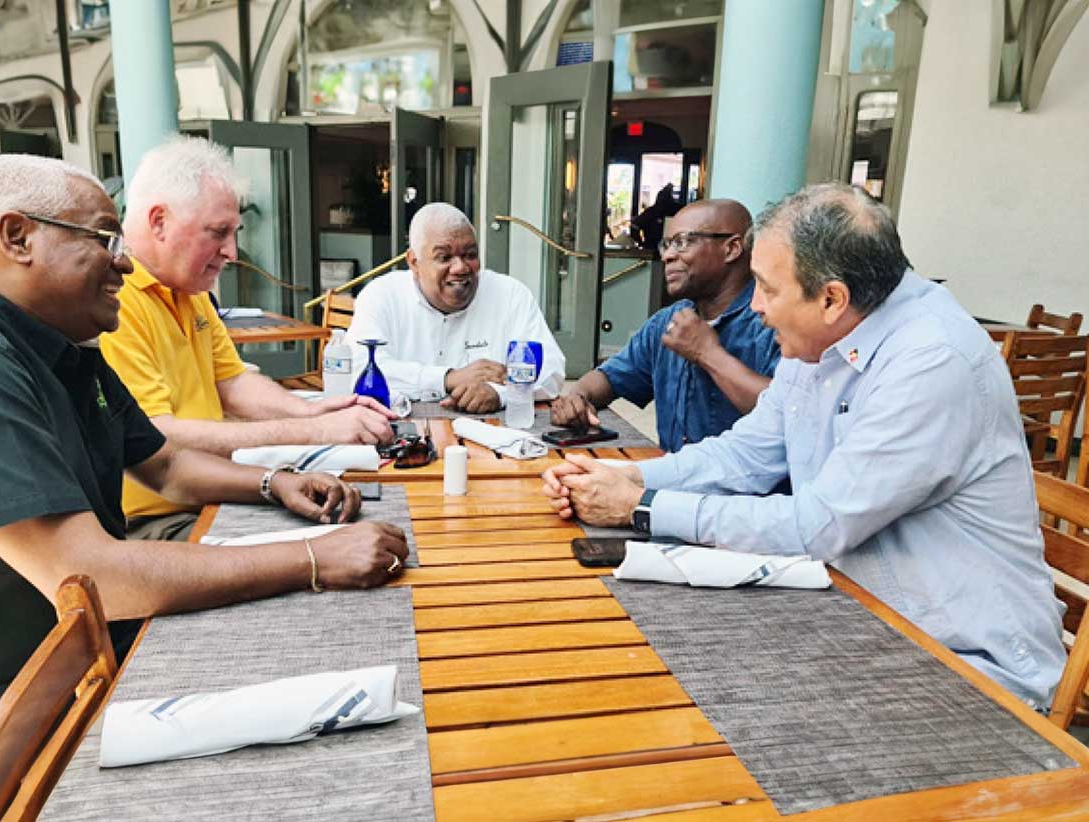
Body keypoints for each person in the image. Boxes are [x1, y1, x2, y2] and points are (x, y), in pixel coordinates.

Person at [0, 155, 407, 818]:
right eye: (105, 240)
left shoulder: (61, 344)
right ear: (17, 236)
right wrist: (313, 558)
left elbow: (165, 466)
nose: (125, 263)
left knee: (310, 663)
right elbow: (89, 575)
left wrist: (276, 482)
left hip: (73, 657)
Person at [542, 183, 1066, 708]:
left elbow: (819, 526)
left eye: (767, 288)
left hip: (962, 661)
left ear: (832, 298)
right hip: (857, 614)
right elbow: (746, 453)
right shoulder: (826, 333)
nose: (756, 306)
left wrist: (641, 508)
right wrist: (629, 479)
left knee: (697, 707)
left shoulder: (930, 361)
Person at [100, 137, 395, 540]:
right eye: (218, 232)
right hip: (157, 519)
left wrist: (311, 413)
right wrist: (313, 432)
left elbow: (233, 382)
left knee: (367, 522)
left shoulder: (189, 288)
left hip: (213, 492)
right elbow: (157, 439)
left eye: (234, 232)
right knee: (341, 547)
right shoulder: (112, 299)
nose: (232, 252)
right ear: (158, 221)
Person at [550, 200, 780, 451]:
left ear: (732, 248)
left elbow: (789, 415)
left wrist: (708, 354)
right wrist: (579, 396)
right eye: (667, 244)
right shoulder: (667, 322)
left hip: (745, 488)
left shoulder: (772, 322)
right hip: (672, 479)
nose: (668, 256)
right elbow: (610, 377)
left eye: (683, 242)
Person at [345, 202, 566, 413]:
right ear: (414, 262)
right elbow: (358, 368)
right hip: (402, 432)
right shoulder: (382, 295)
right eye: (444, 257)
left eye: (470, 255)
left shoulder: (510, 294)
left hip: (491, 432)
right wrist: (447, 378)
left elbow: (551, 371)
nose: (460, 267)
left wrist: (500, 394)